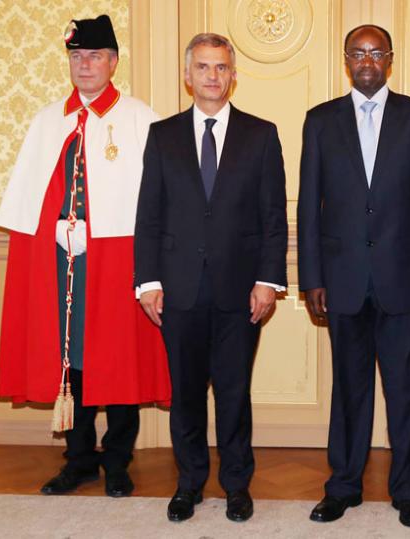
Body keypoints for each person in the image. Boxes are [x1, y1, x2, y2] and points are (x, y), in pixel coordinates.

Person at [0, 14, 170, 498]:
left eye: (94, 56)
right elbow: (34, 193)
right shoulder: (48, 120)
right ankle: (78, 459)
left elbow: (156, 196)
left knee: (118, 357)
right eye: (76, 57)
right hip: (60, 262)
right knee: (69, 361)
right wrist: (54, 228)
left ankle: (117, 460)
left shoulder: (138, 117)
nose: (85, 65)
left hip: (117, 260)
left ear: (113, 62)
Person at [297, 24, 410, 529]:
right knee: (349, 389)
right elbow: (309, 208)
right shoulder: (319, 121)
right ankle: (343, 487)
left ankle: (408, 492)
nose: (367, 60)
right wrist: (311, 277)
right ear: (346, 59)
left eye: (376, 52)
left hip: (404, 280)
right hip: (340, 280)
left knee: (407, 391)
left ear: (390, 58)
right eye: (358, 53)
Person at [134, 33, 287, 523]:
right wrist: (148, 281)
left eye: (221, 67)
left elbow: (273, 218)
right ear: (188, 75)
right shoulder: (163, 136)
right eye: (203, 67)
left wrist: (269, 280)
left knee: (234, 392)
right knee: (186, 394)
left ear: (233, 75)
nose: (212, 76)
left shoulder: (261, 135)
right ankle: (189, 484)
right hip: (177, 290)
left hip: (241, 291)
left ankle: (237, 485)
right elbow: (149, 216)